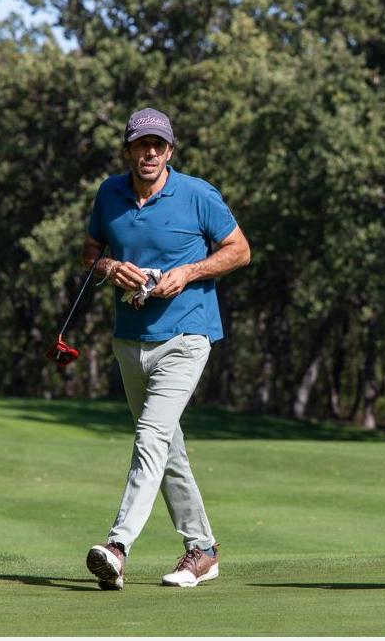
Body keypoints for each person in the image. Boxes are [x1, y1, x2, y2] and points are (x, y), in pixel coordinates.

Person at [82, 107, 250, 590]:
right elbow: (90, 253)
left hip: (186, 336)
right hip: (129, 340)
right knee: (166, 445)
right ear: (129, 151)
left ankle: (117, 547)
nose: (150, 153)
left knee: (151, 438)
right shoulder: (109, 193)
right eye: (141, 144)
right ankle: (203, 550)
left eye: (158, 145)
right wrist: (110, 268)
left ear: (170, 150)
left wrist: (189, 272)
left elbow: (240, 250)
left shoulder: (198, 194)